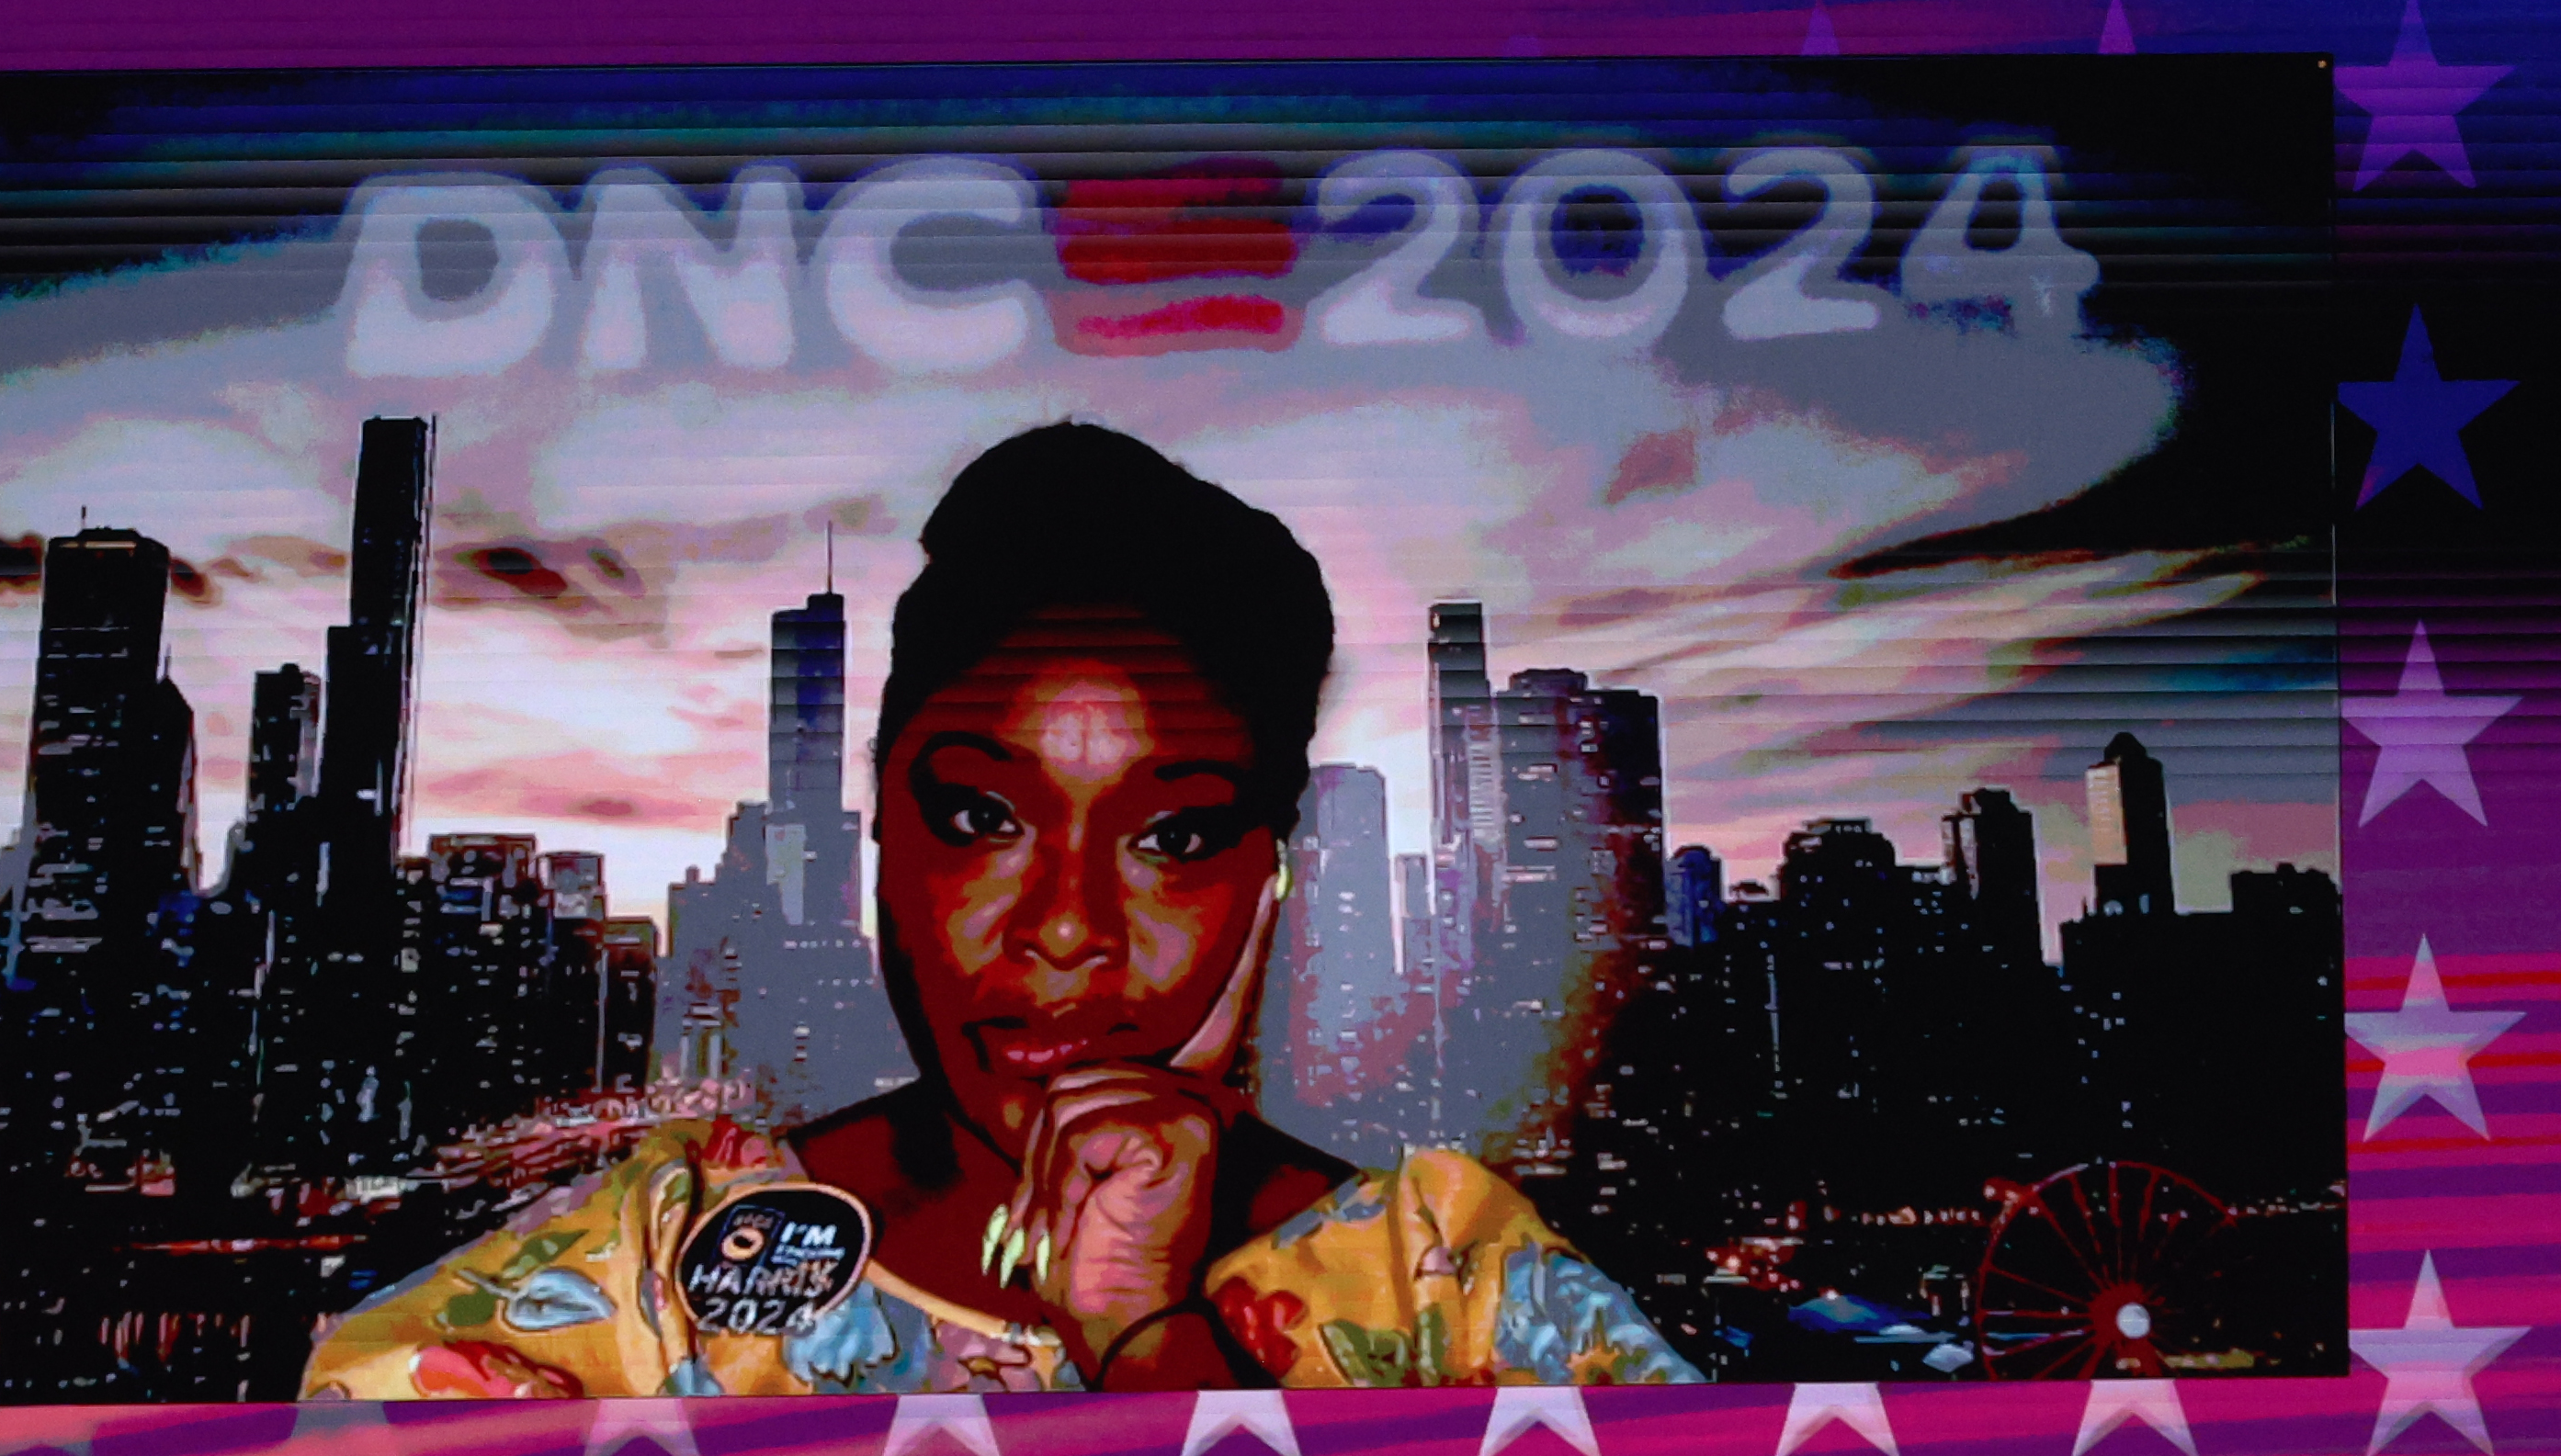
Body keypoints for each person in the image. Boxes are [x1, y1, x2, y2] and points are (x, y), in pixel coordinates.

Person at [303, 422, 1698, 1403]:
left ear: (1270, 871)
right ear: (883, 836)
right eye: (982, 818)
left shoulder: (1443, 1278)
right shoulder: (663, 1256)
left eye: (1174, 834)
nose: (1068, 925)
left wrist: (1152, 1338)